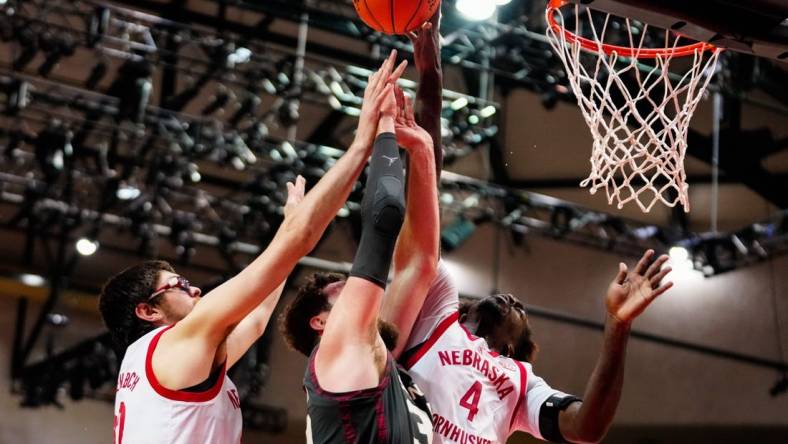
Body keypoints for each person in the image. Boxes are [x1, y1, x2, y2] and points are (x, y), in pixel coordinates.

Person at [98, 51, 406, 444]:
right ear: (148, 310)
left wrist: (289, 231)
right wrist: (363, 141)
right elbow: (296, 242)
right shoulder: (176, 342)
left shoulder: (156, 362)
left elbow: (258, 319)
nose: (195, 289)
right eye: (177, 284)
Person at [279, 82, 439, 442]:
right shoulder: (342, 347)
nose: (354, 286)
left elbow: (421, 263)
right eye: (341, 287)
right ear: (321, 322)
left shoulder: (373, 352)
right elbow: (384, 217)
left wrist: (422, 148)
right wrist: (381, 125)